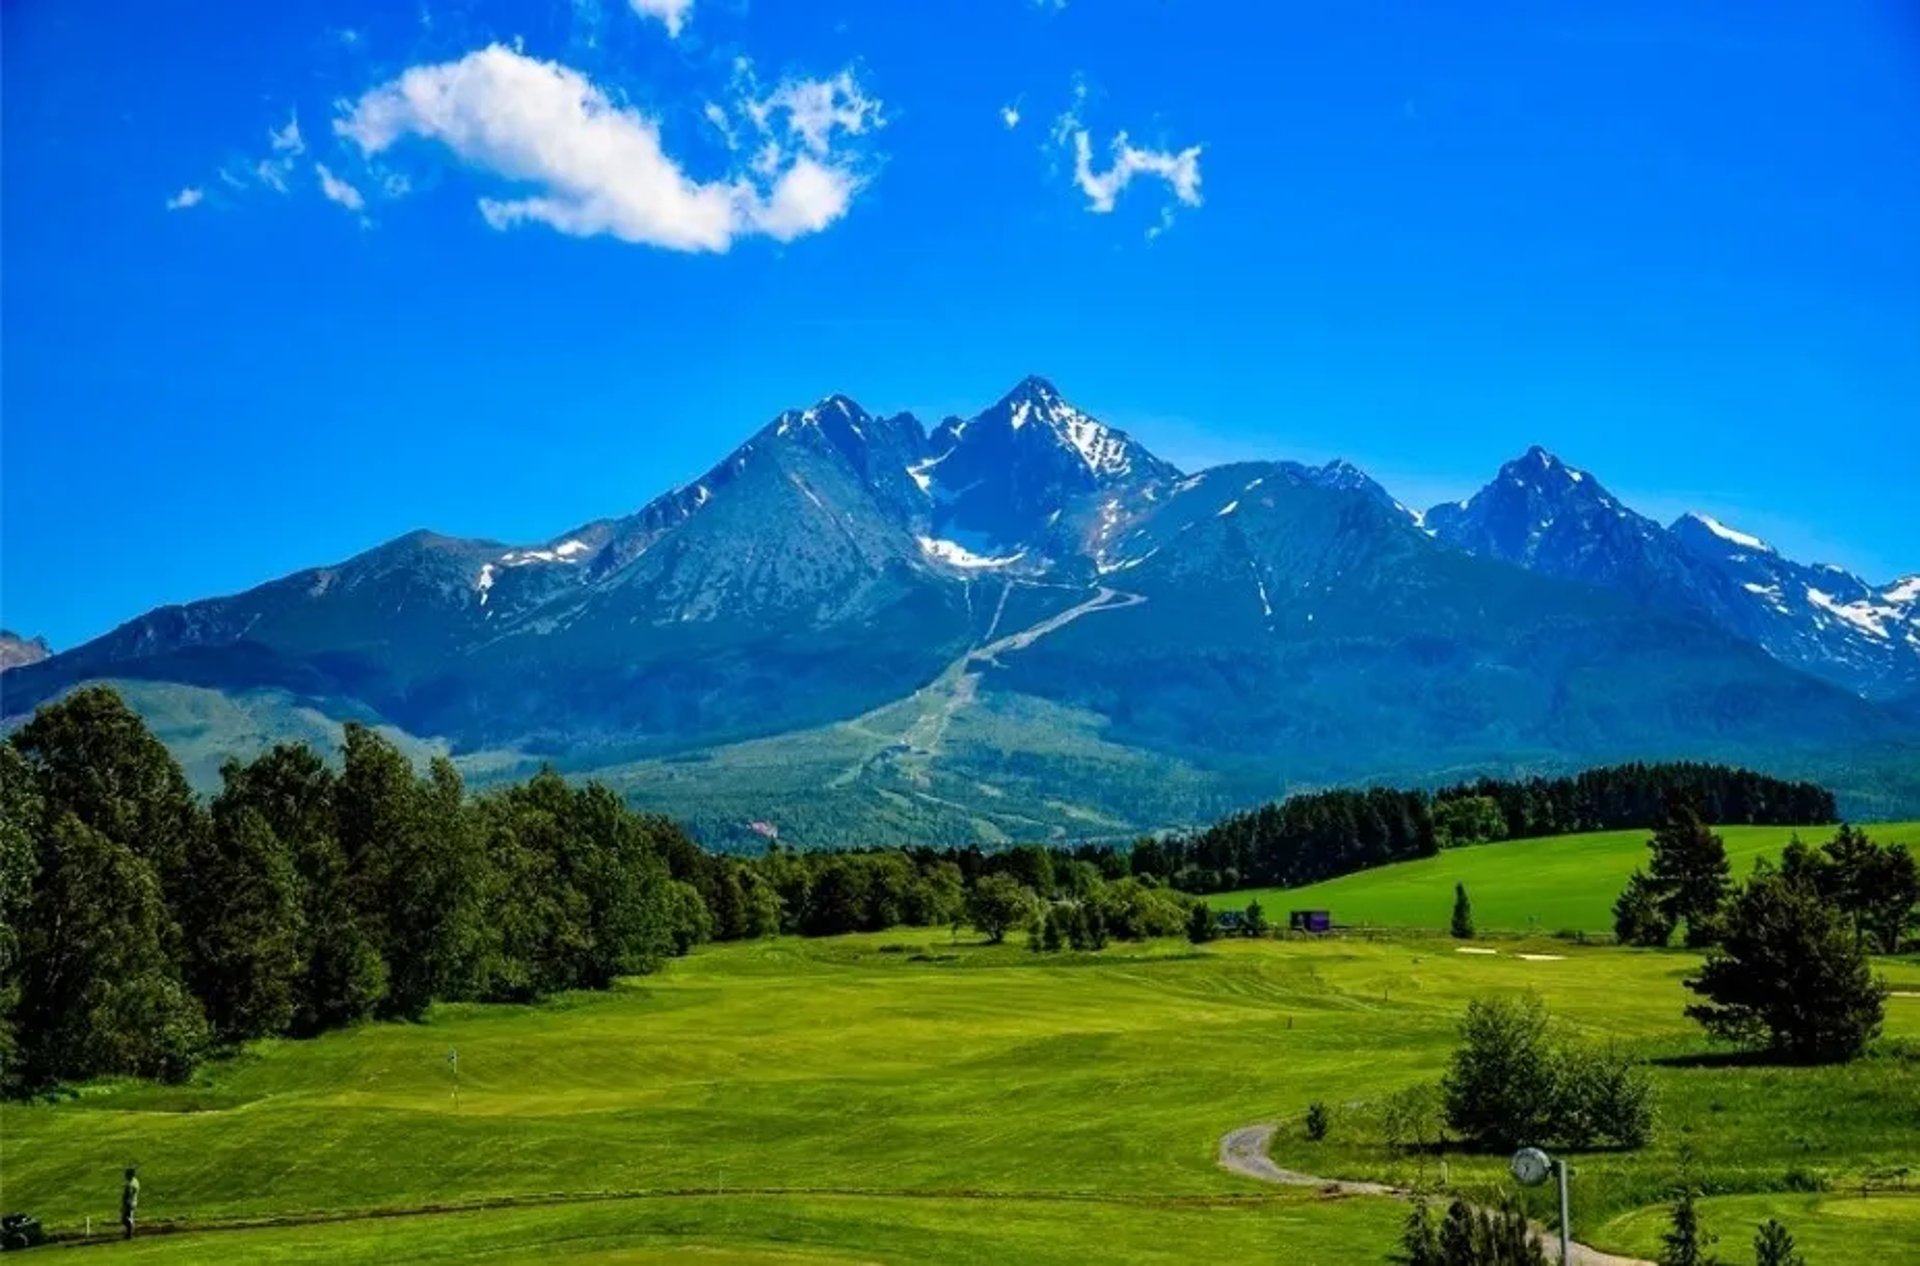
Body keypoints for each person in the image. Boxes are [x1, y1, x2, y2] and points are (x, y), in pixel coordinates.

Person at [120, 1166, 139, 1240]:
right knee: (128, 1218)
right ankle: (129, 1233)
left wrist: (124, 1205)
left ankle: (130, 1233)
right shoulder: (136, 1181)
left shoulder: (130, 1185)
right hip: (134, 1201)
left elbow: (128, 1196)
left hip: (129, 1203)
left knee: (125, 1219)